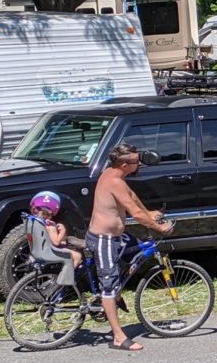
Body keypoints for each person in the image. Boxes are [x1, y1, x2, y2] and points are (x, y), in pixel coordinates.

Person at [87, 143, 174, 351]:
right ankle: (118, 337)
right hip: (104, 240)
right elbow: (134, 212)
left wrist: (150, 213)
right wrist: (158, 227)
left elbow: (133, 199)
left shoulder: (115, 176)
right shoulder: (114, 181)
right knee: (108, 286)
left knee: (137, 251)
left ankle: (116, 294)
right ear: (125, 164)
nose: (140, 163)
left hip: (118, 237)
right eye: (136, 161)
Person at [29, 191, 83, 269]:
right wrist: (63, 230)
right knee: (78, 256)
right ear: (50, 214)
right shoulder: (50, 227)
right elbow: (56, 242)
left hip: (38, 250)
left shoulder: (33, 222)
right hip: (50, 251)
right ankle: (64, 276)